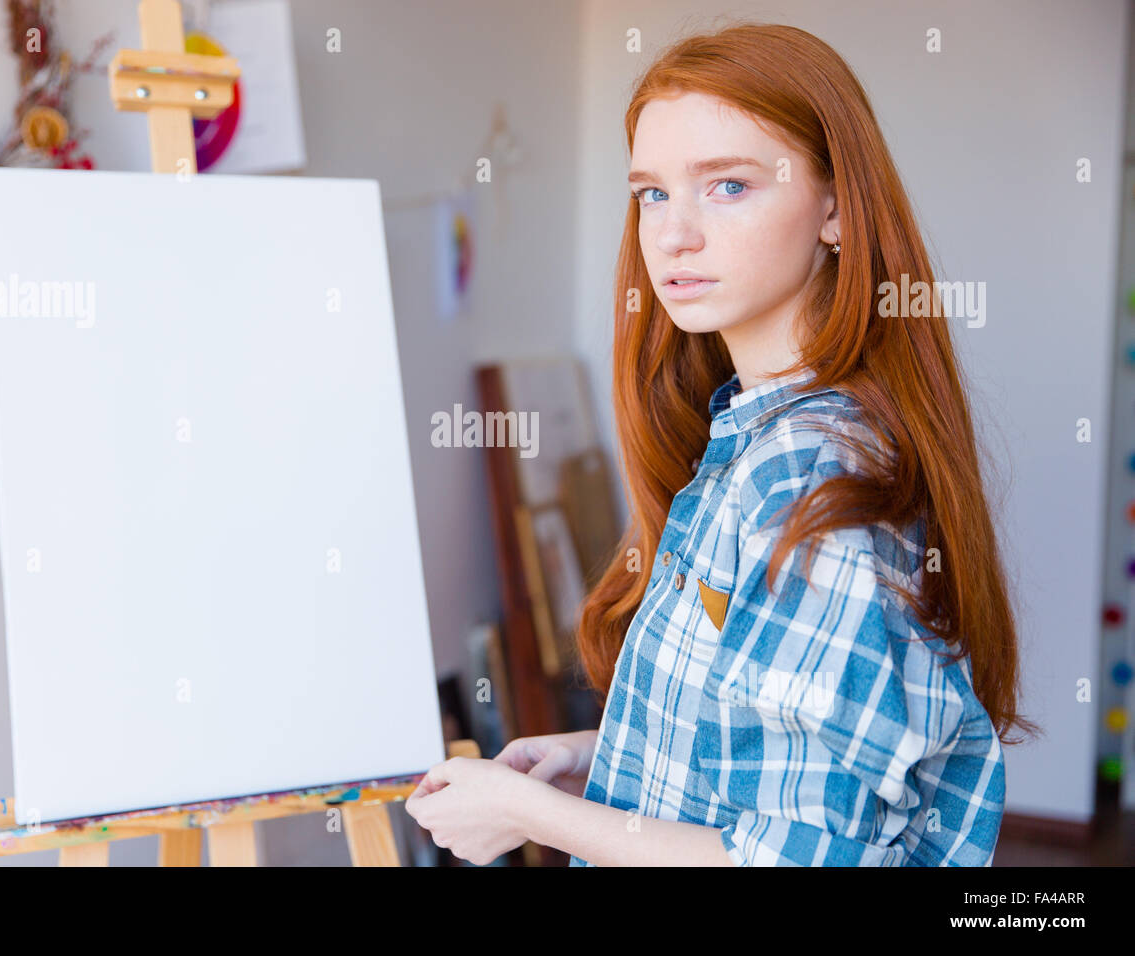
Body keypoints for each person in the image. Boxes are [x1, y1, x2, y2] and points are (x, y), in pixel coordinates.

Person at [404, 21, 1038, 866]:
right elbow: (764, 736)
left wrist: (530, 816)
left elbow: (786, 860)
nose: (672, 234)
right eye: (652, 193)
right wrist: (599, 758)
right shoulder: (748, 436)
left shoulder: (816, 473)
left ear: (837, 209)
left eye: (729, 186)